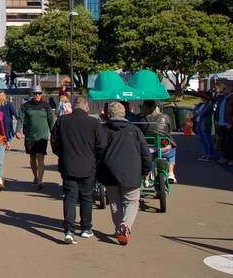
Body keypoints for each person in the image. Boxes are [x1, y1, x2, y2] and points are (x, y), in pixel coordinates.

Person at [50, 96, 105, 243]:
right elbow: (101, 145)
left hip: (68, 165)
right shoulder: (94, 122)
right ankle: (86, 227)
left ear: (73, 107)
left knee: (70, 197)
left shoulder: (62, 120)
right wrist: (96, 159)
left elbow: (54, 141)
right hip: (88, 165)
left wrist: (62, 154)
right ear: (86, 108)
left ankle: (69, 229)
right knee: (86, 197)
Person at [97, 101, 152, 246]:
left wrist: (98, 171)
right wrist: (146, 170)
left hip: (109, 171)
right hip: (132, 172)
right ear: (124, 114)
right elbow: (145, 153)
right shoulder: (134, 130)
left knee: (115, 202)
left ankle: (118, 228)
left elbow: (98, 152)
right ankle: (126, 225)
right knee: (132, 201)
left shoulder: (103, 130)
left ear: (109, 114)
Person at [16, 86, 55, 189]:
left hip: (42, 136)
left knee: (40, 156)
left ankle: (41, 181)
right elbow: (20, 119)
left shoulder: (46, 106)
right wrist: (18, 131)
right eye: (35, 93)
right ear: (32, 94)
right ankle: (36, 177)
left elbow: (51, 121)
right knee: (32, 157)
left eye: (39, 93)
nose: (37, 95)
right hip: (30, 136)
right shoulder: (26, 106)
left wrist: (54, 134)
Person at [139, 100, 176, 183]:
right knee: (172, 153)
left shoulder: (141, 119)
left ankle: (146, 179)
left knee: (147, 160)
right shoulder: (164, 117)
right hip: (164, 150)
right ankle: (171, 173)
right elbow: (170, 129)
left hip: (148, 151)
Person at [192, 96, 217, 161]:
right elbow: (194, 111)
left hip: (205, 123)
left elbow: (202, 113)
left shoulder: (210, 105)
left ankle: (210, 154)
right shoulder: (200, 104)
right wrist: (196, 111)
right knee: (201, 139)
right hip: (198, 122)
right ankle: (205, 154)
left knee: (207, 139)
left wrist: (197, 111)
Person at [217, 85, 233, 165]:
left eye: (224, 89)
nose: (223, 90)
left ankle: (232, 159)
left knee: (229, 141)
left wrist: (230, 122)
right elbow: (211, 99)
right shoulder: (223, 98)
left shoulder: (232, 98)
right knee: (223, 141)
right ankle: (225, 157)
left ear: (229, 90)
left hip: (228, 123)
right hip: (221, 122)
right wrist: (197, 93)